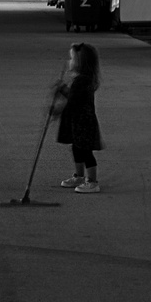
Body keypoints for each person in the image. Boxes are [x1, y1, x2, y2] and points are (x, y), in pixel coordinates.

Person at [52, 42, 103, 193]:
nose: (69, 62)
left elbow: (73, 101)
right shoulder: (80, 80)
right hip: (77, 121)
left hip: (84, 122)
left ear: (80, 63)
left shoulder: (82, 81)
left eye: (72, 59)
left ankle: (92, 181)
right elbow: (73, 97)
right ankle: (79, 176)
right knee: (76, 148)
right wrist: (62, 89)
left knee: (85, 151)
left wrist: (57, 110)